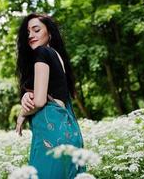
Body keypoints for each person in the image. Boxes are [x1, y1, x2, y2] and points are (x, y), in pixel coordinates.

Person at [15, 13, 86, 178]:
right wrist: (27, 96)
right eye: (28, 33)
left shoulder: (42, 52)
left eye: (36, 30)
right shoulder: (57, 56)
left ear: (50, 33)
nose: (31, 35)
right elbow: (48, 95)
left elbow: (39, 101)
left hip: (51, 137)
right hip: (70, 134)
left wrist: (22, 114)